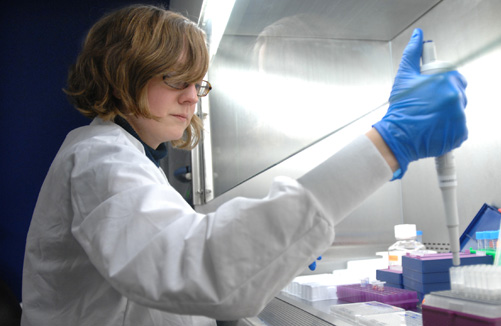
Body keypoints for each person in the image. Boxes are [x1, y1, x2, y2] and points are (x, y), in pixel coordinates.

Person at [20, 4, 467, 326]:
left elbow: (171, 255)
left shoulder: (128, 157)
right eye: (176, 79)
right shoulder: (99, 158)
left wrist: (276, 250)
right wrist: (386, 146)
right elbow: (192, 266)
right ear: (123, 73)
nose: (192, 97)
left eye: (198, 83)